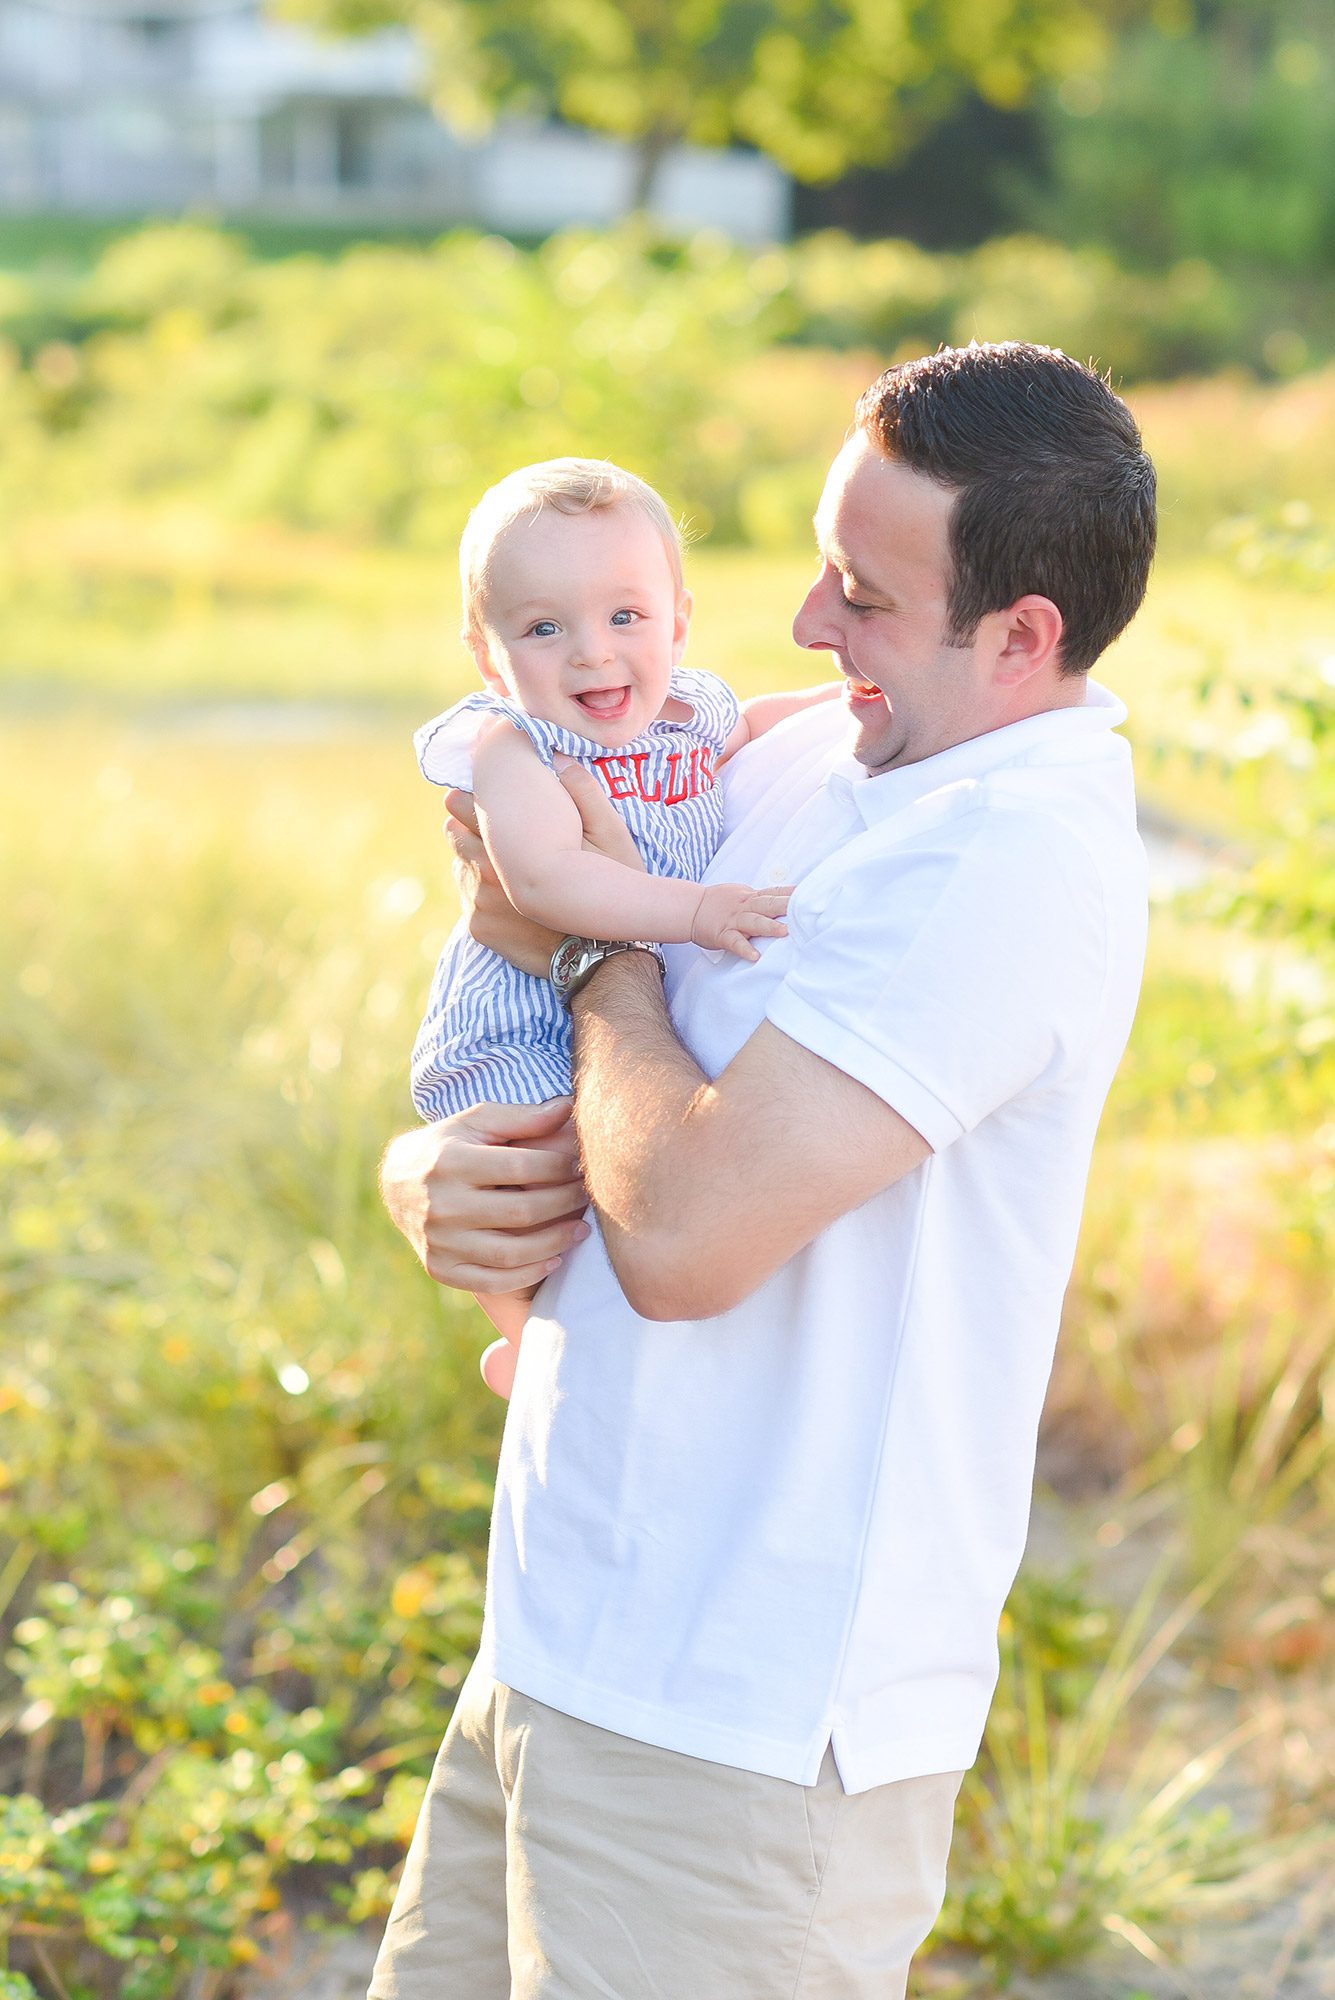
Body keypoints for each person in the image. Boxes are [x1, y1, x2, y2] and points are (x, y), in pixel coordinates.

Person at [369, 342, 1157, 2000]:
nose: (804, 622)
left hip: (741, 1734)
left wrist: (588, 954)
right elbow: (550, 974)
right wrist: (434, 1170)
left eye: (861, 596)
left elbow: (684, 1234)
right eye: (819, 563)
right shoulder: (830, 752)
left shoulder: (1005, 862)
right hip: (558, 1642)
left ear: (1020, 637)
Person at [410, 455, 830, 1394]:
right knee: (535, 1176)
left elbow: (753, 725)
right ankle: (522, 1332)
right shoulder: (517, 748)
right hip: (523, 1016)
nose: (592, 654)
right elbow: (545, 880)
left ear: (678, 621)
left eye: (625, 617)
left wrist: (839, 700)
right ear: (487, 654)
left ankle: (561, 1336)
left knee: (630, 1165)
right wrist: (692, 910)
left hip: (611, 1005)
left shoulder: (689, 713)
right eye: (543, 628)